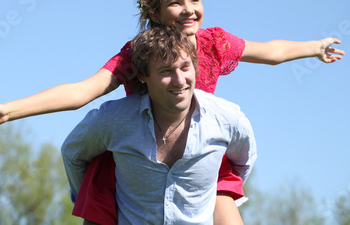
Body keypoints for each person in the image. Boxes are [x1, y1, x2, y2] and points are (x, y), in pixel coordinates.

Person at [0, 0, 345, 224]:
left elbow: (269, 52)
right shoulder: (139, 53)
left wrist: (313, 48)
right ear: (153, 12)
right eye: (176, 3)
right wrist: (8, 112)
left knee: (226, 208)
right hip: (140, 147)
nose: (190, 10)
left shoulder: (213, 42)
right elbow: (82, 92)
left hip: (199, 145)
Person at [61, 25, 257, 224]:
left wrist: (221, 196)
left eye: (185, 67)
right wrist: (92, 199)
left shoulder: (227, 118)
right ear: (143, 76)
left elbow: (244, 161)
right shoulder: (114, 120)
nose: (180, 81)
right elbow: (72, 153)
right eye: (166, 71)